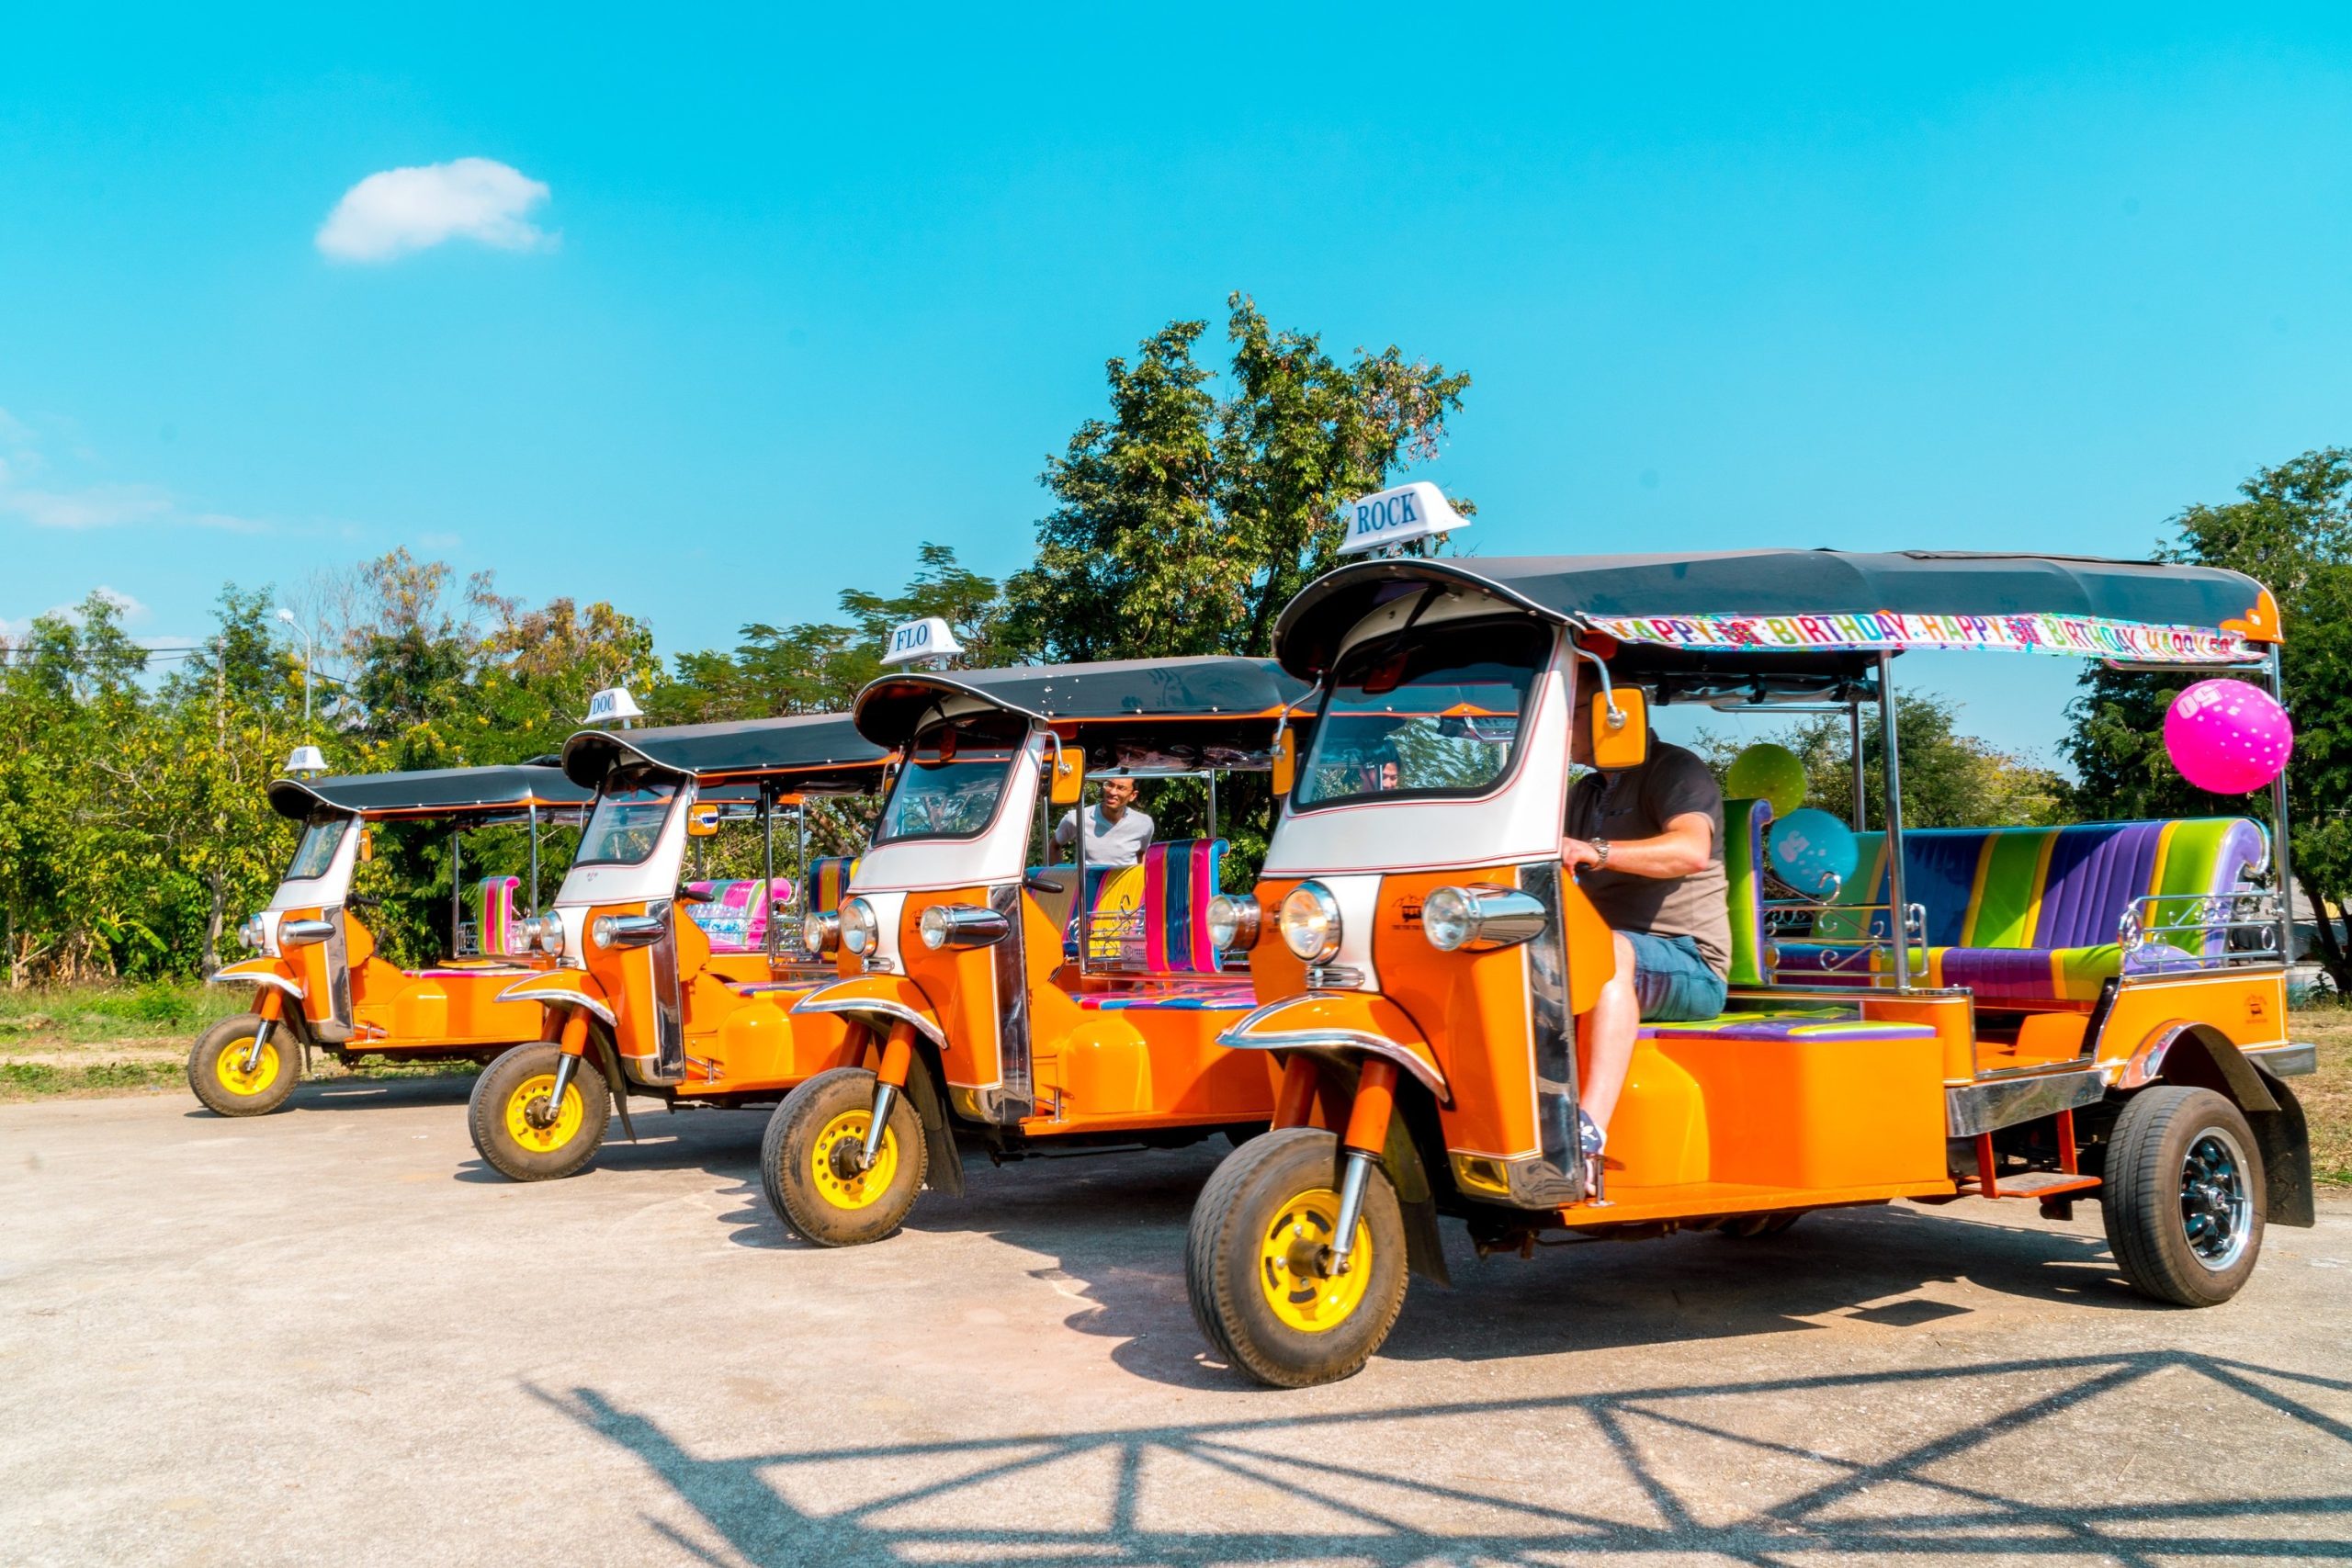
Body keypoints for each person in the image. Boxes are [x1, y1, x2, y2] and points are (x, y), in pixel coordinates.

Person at [1559, 678, 1728, 1179]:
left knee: (1607, 952)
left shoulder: (1673, 770)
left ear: (1615, 713)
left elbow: (1691, 851)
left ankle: (1587, 1134)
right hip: (1605, 956)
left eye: (1569, 709)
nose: (1560, 725)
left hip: (1690, 963)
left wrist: (1598, 851)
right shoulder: (1585, 790)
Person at [1053, 776, 1155, 867]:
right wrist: (1062, 879)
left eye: (1121, 788)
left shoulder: (1144, 823)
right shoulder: (1077, 817)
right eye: (1109, 785)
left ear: (1133, 795)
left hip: (1125, 887)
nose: (1112, 792)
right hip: (1088, 886)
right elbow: (1054, 846)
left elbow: (1142, 854)